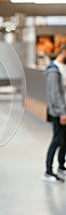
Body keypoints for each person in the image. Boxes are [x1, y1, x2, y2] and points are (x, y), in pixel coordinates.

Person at [43, 44, 66, 182]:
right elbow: (54, 94)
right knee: (57, 139)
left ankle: (61, 165)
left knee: (64, 141)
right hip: (59, 113)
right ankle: (48, 171)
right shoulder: (53, 70)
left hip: (64, 111)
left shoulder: (63, 67)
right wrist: (61, 112)